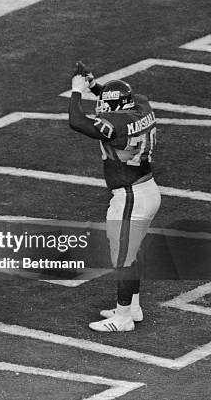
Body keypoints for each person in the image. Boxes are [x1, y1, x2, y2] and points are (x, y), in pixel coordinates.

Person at [68, 62, 161, 332]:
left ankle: (123, 319)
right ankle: (132, 307)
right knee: (132, 253)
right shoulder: (142, 106)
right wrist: (96, 87)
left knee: (124, 259)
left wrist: (77, 91)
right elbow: (121, 103)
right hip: (147, 189)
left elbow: (77, 121)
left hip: (131, 195)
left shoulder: (117, 123)